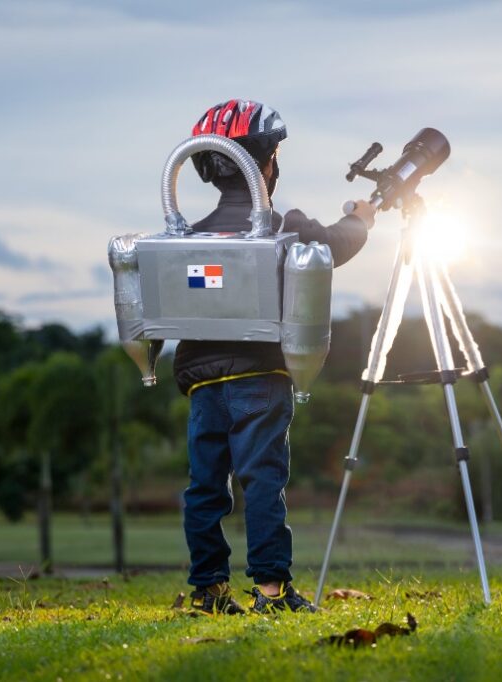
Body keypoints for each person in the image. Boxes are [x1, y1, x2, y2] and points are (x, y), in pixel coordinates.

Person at [175, 99, 376, 615]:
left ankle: (208, 592)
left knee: (204, 486)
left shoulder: (191, 237)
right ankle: (271, 591)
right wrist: (361, 219)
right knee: (262, 480)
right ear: (267, 162)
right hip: (260, 379)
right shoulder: (284, 223)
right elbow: (332, 246)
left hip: (201, 384)